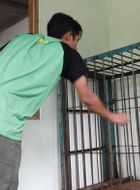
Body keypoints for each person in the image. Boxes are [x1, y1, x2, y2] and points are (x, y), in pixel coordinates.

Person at [0, 13, 129, 190]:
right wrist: (111, 115)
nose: (75, 46)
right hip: (4, 125)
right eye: (77, 41)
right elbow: (87, 97)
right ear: (69, 36)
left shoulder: (21, 39)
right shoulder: (67, 53)